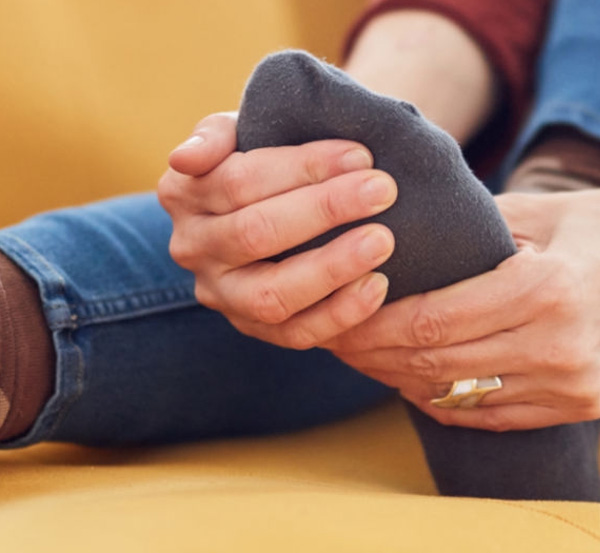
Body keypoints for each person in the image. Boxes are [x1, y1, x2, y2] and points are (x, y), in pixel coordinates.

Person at [0, 0, 599, 500]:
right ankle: (523, 210)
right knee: (304, 244)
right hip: (488, 180)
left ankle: (567, 179)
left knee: (374, 256)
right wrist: (348, 137)